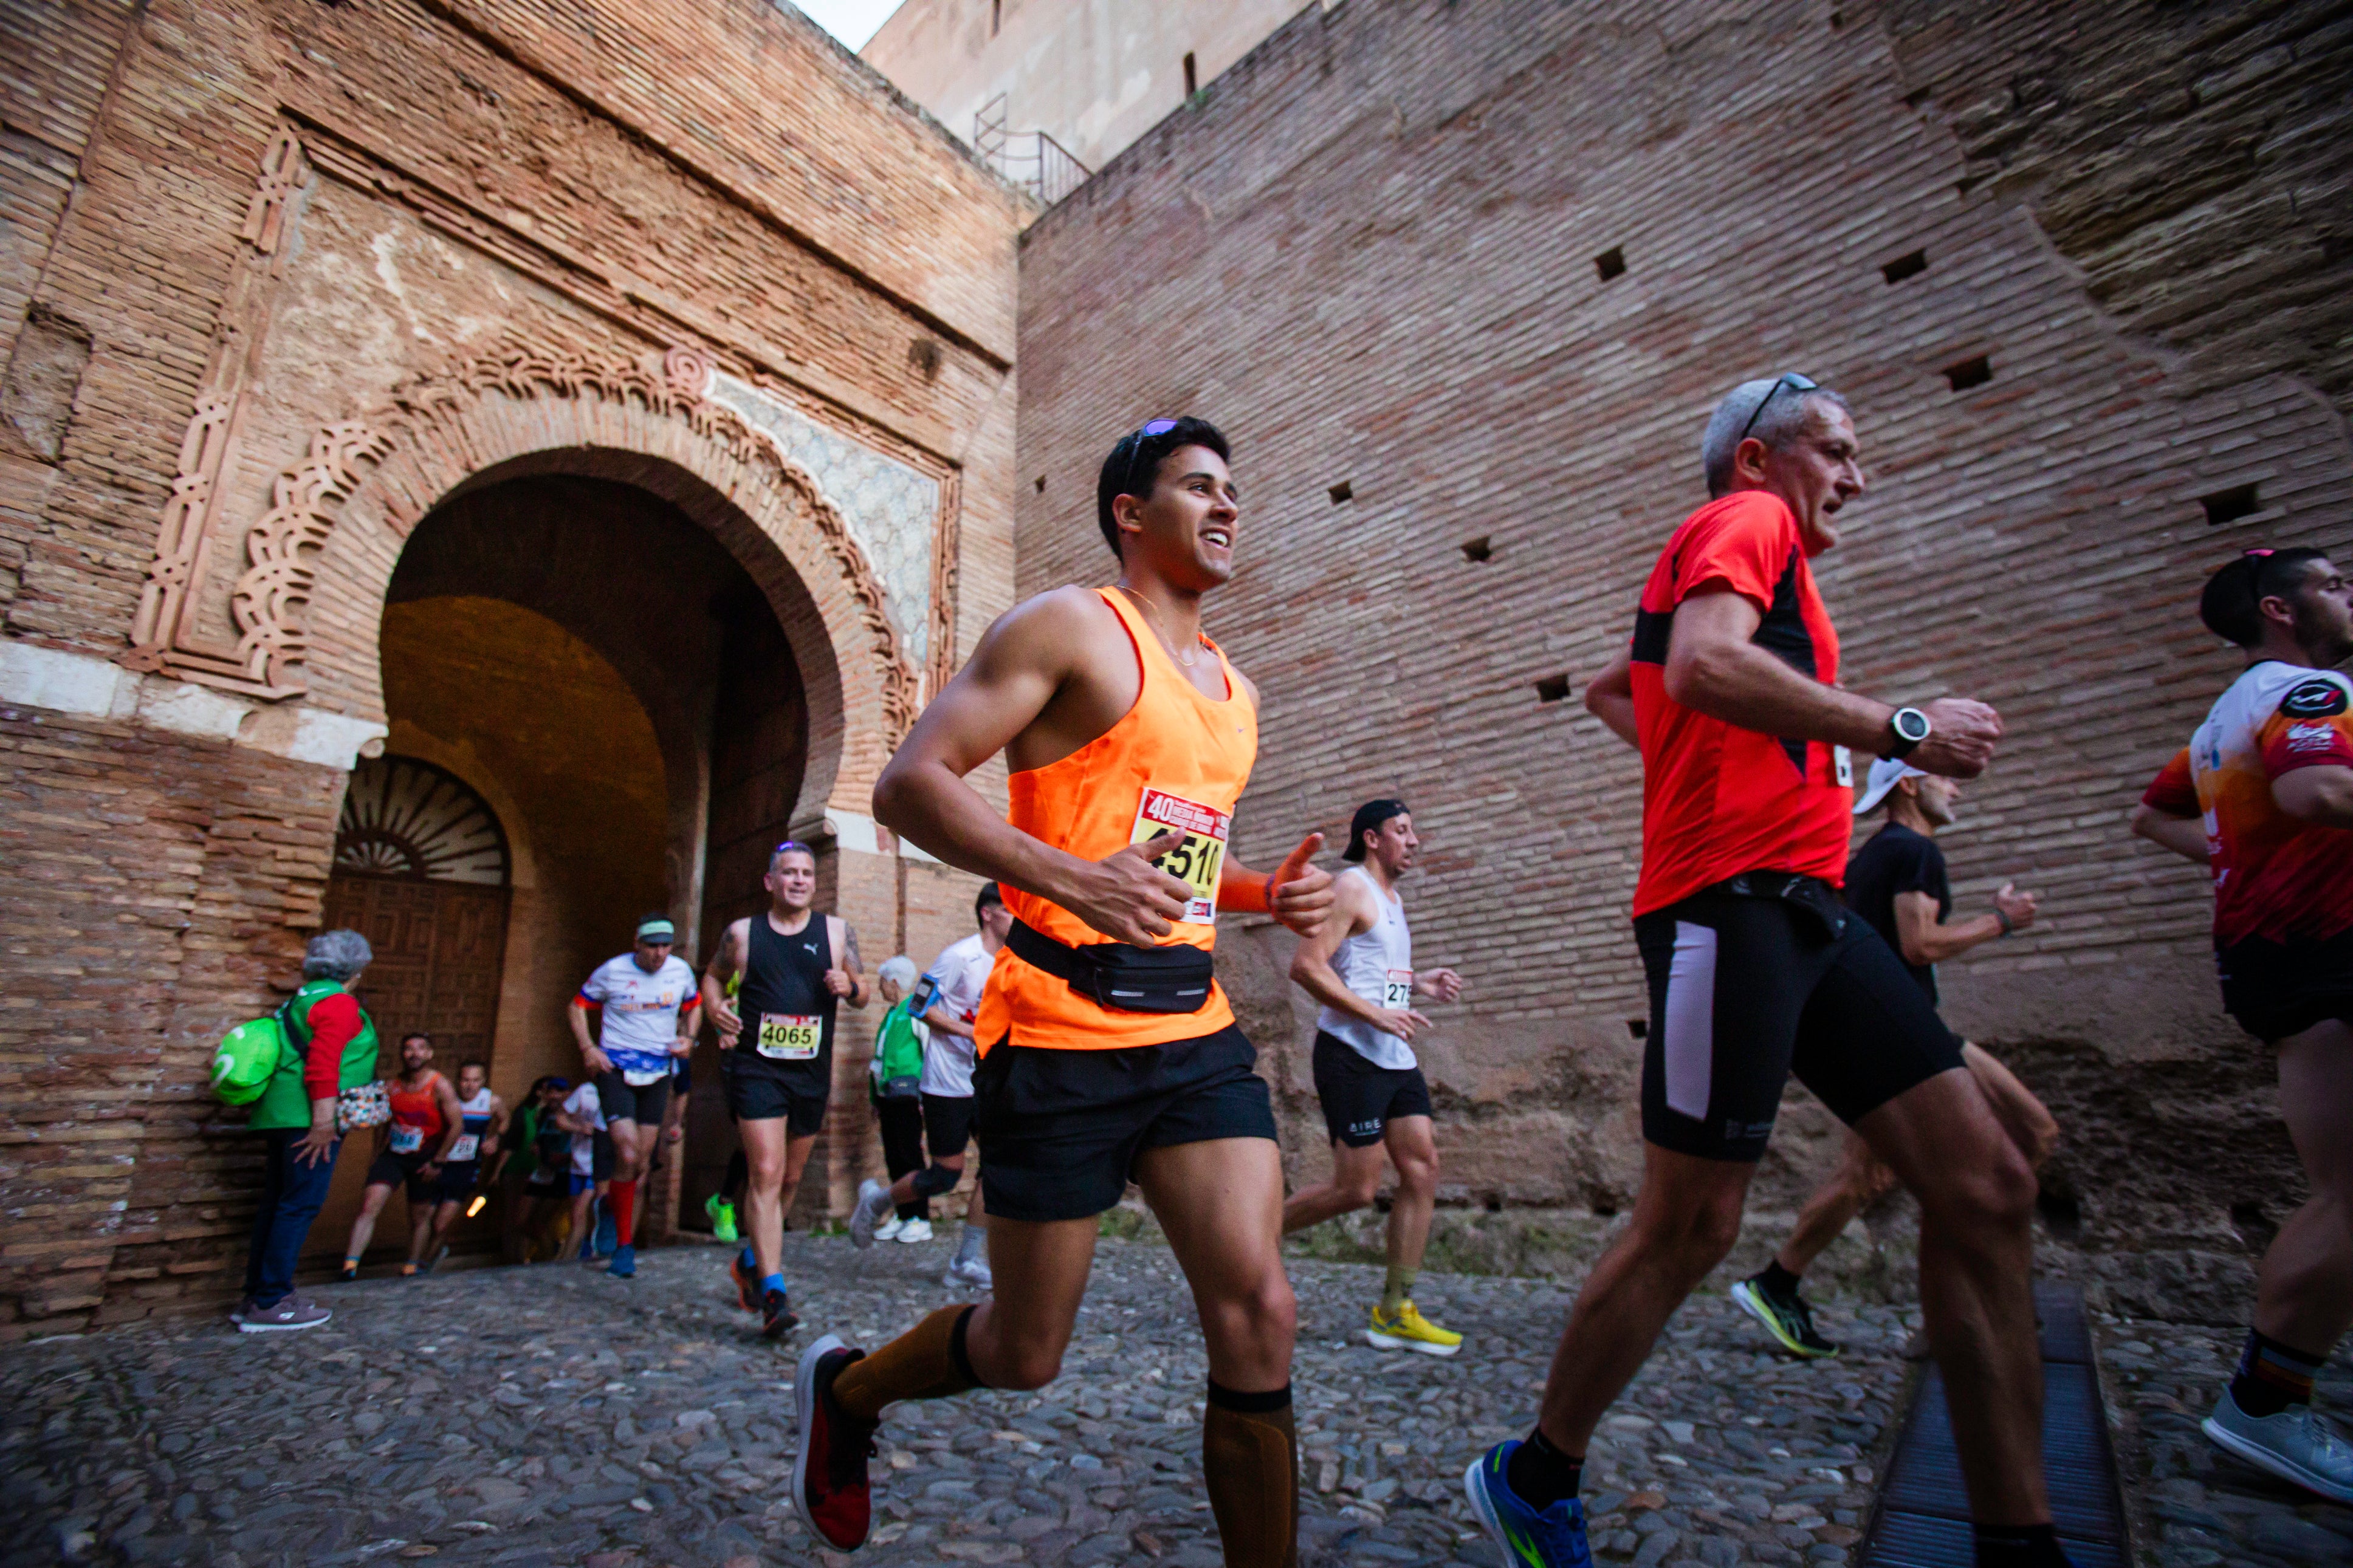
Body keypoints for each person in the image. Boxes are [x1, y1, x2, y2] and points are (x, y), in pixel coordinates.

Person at [1480, 375, 2062, 1568]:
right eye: (1837, 451)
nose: (1856, 474)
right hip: (1726, 908)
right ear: (1758, 456)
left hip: (1811, 911)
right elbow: (1695, 666)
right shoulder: (1749, 524)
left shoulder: (1770, 562)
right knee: (1693, 1222)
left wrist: (1702, 761)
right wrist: (1900, 729)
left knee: (1988, 1181)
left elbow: (1621, 685)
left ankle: (2018, 1540)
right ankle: (1533, 1474)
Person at [789, 415, 1333, 1561]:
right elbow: (909, 785)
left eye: (1234, 489)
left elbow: (1167, 864)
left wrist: (1256, 894)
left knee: (1260, 1313)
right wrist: (1061, 879)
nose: (1228, 506)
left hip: (1193, 1030)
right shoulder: (1070, 627)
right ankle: (847, 1396)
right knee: (1024, 1352)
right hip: (1051, 1034)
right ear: (1132, 515)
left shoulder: (1234, 692)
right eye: (1198, 487)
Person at [2136, 549, 2353, 1502]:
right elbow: (2317, 793)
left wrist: (2239, 859)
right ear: (2281, 608)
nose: (2348, 592)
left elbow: (2159, 818)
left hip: (2281, 957)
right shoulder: (2300, 690)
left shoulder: (2225, 715)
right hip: (2330, 951)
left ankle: (2271, 1402)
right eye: (2333, 582)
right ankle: (2266, 1404)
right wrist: (2263, 855)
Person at [1730, 758, 2059, 1358]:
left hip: (1883, 1032)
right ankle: (1964, 1309)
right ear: (1907, 785)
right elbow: (1919, 943)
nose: (1955, 784)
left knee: (1871, 1173)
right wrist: (2000, 922)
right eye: (1942, 775)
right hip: (1902, 1036)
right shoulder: (1912, 851)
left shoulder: (1875, 854)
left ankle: (1780, 1283)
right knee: (2029, 1129)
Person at [1278, 799, 1468, 1355]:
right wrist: (1377, 1014)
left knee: (1422, 1168)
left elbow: (1364, 976)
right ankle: (1238, 1244)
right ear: (1372, 839)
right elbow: (1307, 967)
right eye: (1402, 831)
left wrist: (1416, 985)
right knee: (1354, 1188)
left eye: (1414, 830)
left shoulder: (1391, 897)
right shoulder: (1351, 887)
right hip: (1350, 1052)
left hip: (1393, 1054)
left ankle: (1395, 1309)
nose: (1415, 840)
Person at [702, 841, 870, 1338]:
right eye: (789, 873)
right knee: (767, 1171)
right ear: (770, 882)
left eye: (806, 873)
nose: (799, 880)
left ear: (814, 883)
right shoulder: (742, 934)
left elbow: (863, 993)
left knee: (791, 1178)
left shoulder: (838, 933)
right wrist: (714, 1010)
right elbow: (711, 979)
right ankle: (774, 1293)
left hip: (809, 1074)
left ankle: (750, 1259)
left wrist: (850, 987)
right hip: (756, 1068)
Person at [850, 883, 1014, 1286]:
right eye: (1011, 909)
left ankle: (965, 1262)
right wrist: (967, 1031)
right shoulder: (959, 957)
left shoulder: (1014, 960)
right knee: (945, 1175)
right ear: (988, 913)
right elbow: (919, 1005)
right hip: (946, 1083)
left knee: (996, 1168)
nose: (1019, 918)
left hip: (988, 1084)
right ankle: (876, 1202)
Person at [235, 930, 379, 1332]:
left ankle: (257, 1294)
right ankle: (271, 1300)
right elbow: (323, 1063)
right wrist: (323, 1122)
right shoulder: (338, 1003)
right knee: (300, 1205)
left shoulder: (301, 998)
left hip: (280, 1113)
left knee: (278, 1203)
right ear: (356, 968)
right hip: (307, 1118)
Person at [571, 915, 699, 1279]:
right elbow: (577, 1006)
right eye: (652, 946)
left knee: (641, 1163)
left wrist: (688, 1039)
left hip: (658, 1073)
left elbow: (694, 1007)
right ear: (637, 944)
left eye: (665, 946)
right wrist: (587, 1048)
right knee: (626, 1152)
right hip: (616, 1070)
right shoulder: (612, 971)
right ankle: (624, 1248)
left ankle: (612, 1207)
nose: (659, 953)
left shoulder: (680, 972)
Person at [338, 1032, 464, 1280]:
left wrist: (438, 1161)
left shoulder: (440, 1085)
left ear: (429, 1054)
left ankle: (410, 1266)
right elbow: (384, 1123)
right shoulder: (392, 1085)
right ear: (402, 1054)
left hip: (426, 1158)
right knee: (370, 1204)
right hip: (393, 1155)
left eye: (420, 1049)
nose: (414, 1053)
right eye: (408, 1048)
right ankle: (349, 1267)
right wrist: (376, 1155)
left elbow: (457, 1126)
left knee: (419, 1216)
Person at [864, 955, 930, 1242]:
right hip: (888, 1095)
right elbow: (879, 1060)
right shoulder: (892, 1014)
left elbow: (930, 1053)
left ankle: (921, 1218)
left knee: (910, 1155)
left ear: (893, 982)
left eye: (882, 982)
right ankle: (903, 1215)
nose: (880, 988)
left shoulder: (915, 1011)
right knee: (894, 1156)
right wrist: (874, 1098)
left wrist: (927, 1097)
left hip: (908, 1094)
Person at [417, 1060, 506, 1273]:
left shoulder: (491, 1101)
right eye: (466, 1080)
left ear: (483, 1081)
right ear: (458, 1081)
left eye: (476, 1081)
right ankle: (418, 1259)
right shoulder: (447, 1099)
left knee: (441, 1224)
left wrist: (496, 1139)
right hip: (440, 1165)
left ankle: (425, 1265)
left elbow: (505, 1120)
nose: (470, 1085)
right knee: (422, 1219)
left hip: (465, 1170)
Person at [504, 1075, 572, 1263]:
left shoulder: (573, 1115)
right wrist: (537, 1147)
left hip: (561, 1174)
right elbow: (539, 1139)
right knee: (520, 1221)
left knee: (540, 1222)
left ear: (567, 1094)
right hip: (541, 1172)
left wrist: (565, 1157)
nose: (555, 1096)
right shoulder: (542, 1114)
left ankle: (550, 1258)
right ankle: (547, 1252)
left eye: (559, 1092)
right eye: (551, 1091)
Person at [556, 1075, 611, 1261]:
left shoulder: (618, 1095)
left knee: (580, 1214)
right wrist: (579, 1127)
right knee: (576, 1218)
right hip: (577, 1164)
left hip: (597, 1166)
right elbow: (561, 1119)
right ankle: (580, 1255)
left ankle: (562, 1263)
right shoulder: (585, 1090)